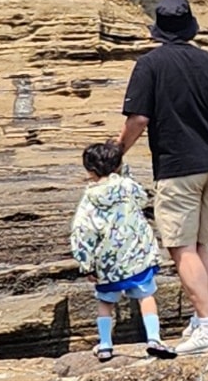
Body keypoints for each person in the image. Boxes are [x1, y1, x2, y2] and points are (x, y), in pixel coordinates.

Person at [115, 0, 208, 356]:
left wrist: (115, 155)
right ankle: (200, 320)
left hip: (178, 167)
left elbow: (139, 120)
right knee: (201, 246)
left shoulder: (150, 65)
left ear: (158, 31)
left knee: (180, 247)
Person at [70, 143, 167, 360]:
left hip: (107, 262)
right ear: (118, 166)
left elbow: (81, 231)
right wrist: (126, 174)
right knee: (146, 296)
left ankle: (105, 344)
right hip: (137, 256)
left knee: (105, 302)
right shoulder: (127, 186)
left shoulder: (89, 199)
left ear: (89, 170)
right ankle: (154, 338)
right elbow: (143, 198)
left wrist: (85, 264)